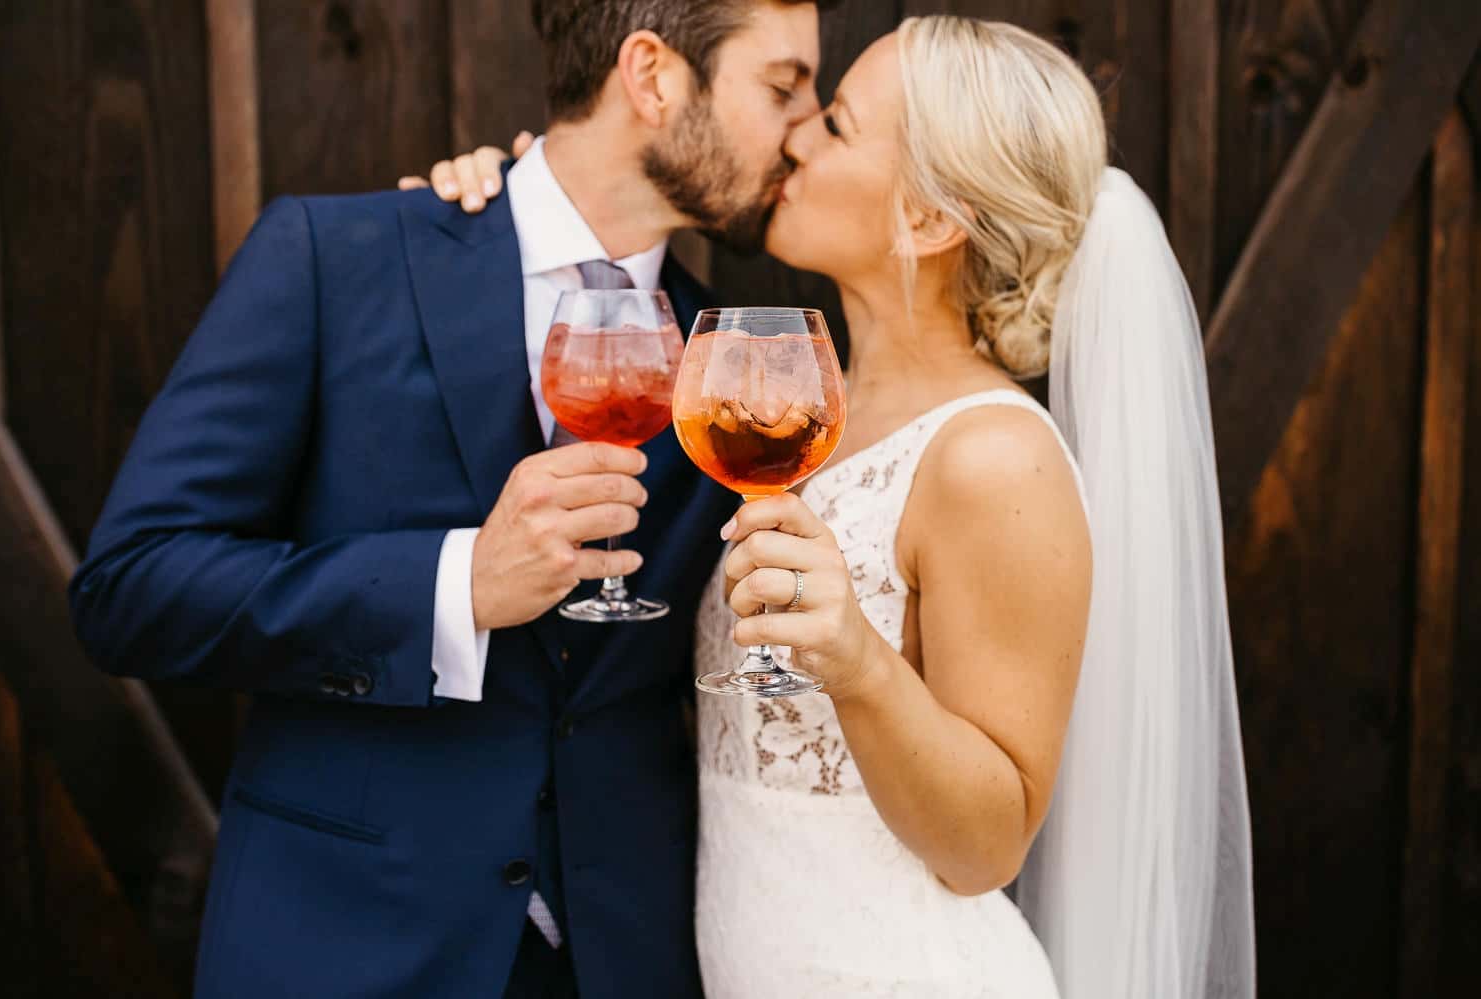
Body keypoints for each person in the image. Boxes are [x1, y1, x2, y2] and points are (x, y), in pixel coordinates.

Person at [414, 15, 1255, 998]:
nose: (796, 136)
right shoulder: (789, 414)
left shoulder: (992, 457)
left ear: (932, 219)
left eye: (839, 125)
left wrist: (856, 660)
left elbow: (989, 846)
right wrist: (511, 209)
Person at [67, 2, 839, 996]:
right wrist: (455, 584)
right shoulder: (334, 259)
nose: (808, 124)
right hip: (343, 948)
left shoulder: (738, 364)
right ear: (652, 78)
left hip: (625, 957)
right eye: (783, 87)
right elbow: (130, 590)